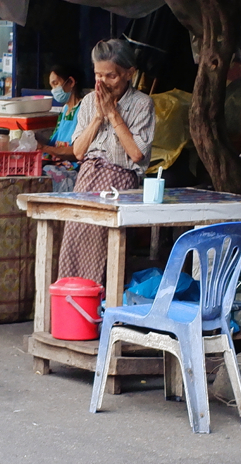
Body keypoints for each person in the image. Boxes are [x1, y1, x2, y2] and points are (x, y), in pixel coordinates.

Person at [58, 39, 155, 285]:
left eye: (111, 76)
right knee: (74, 240)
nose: (102, 82)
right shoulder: (89, 102)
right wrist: (98, 117)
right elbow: (78, 151)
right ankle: (73, 298)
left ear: (129, 73)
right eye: (98, 75)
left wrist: (113, 114)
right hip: (87, 179)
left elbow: (137, 154)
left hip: (119, 182)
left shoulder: (142, 104)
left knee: (107, 246)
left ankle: (102, 301)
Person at [39, 64, 84, 193]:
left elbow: (77, 152)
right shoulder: (64, 110)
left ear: (71, 82)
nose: (53, 90)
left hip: (73, 169)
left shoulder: (84, 109)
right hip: (57, 164)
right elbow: (54, 142)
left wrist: (44, 148)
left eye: (56, 84)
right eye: (51, 86)